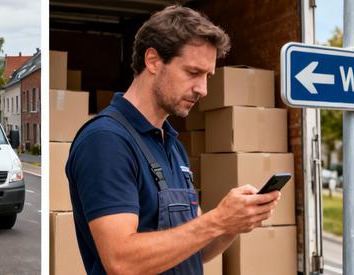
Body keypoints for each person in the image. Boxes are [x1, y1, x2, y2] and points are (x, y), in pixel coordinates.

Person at [66, 6, 280, 275]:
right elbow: (121, 260)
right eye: (193, 72)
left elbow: (197, 250)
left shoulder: (172, 145)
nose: (203, 89)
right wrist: (218, 219)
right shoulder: (106, 141)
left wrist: (232, 224)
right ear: (153, 60)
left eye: (208, 76)